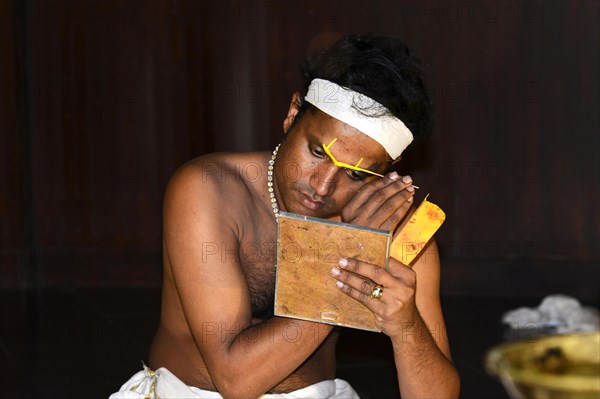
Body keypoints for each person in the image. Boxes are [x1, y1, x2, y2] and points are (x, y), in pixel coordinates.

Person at [111, 34, 460, 398]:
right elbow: (236, 380)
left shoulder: (400, 230)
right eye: (318, 152)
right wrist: (351, 254)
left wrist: (406, 326)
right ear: (293, 113)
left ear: (386, 170)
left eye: (356, 174)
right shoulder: (209, 190)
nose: (323, 186)